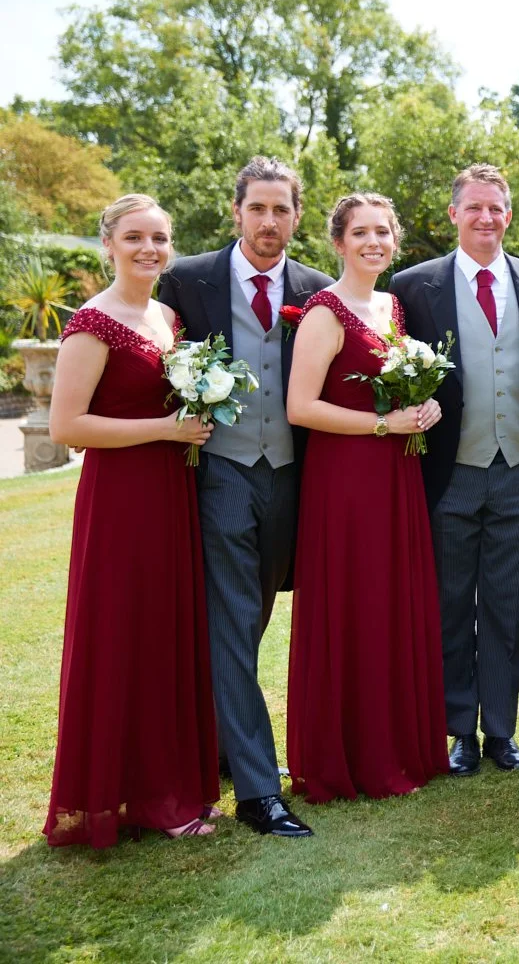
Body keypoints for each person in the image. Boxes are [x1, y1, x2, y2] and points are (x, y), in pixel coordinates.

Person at [157, 156, 330, 839]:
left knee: (253, 618)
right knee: (231, 622)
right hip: (220, 471)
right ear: (236, 212)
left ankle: (225, 745)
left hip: (290, 475)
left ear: (296, 215)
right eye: (256, 208)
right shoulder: (188, 280)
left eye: (280, 210)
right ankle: (259, 792)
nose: (268, 222)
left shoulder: (314, 291)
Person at [45, 195, 220, 846]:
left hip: (171, 497)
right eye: (135, 237)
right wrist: (166, 429)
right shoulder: (93, 322)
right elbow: (67, 427)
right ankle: (130, 797)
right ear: (109, 244)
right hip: (121, 500)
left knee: (165, 635)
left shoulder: (167, 317)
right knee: (124, 634)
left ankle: (164, 789)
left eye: (160, 238)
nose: (150, 248)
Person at [393, 165, 519, 776]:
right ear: (454, 214)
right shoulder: (413, 288)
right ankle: (458, 729)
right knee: (449, 600)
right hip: (449, 468)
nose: (486, 218)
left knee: (504, 601)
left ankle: (502, 730)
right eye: (474, 209)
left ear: (508, 216)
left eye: (496, 209)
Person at [284, 193, 447, 802]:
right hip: (347, 478)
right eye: (361, 233)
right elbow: (300, 408)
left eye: (383, 231)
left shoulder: (390, 305)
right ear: (338, 242)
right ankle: (347, 754)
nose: (373, 242)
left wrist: (422, 407)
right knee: (355, 602)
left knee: (389, 601)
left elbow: (394, 391)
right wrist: (382, 426)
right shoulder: (324, 311)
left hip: (394, 471)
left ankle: (396, 743)